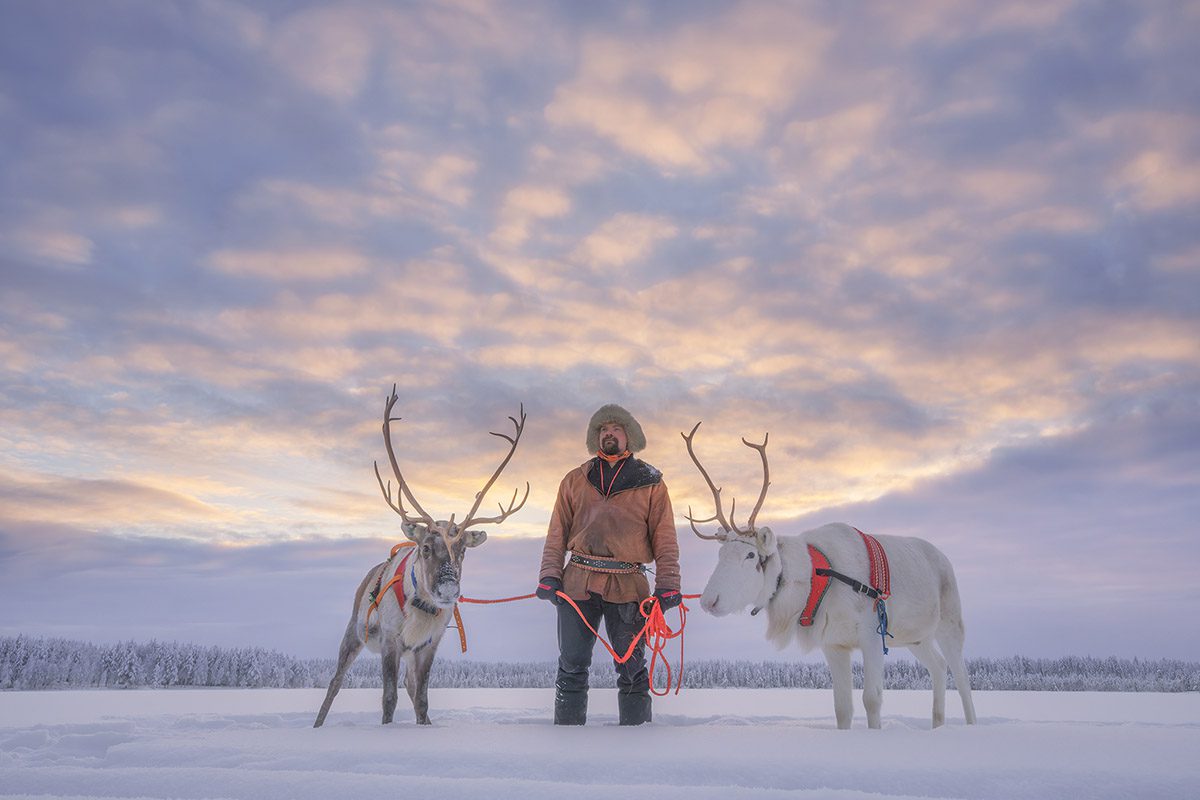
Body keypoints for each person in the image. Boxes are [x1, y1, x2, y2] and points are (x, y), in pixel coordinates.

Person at [536, 403, 681, 726]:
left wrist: (668, 585)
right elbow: (557, 532)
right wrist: (549, 575)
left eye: (616, 429)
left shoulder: (651, 482)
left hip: (628, 585)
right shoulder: (575, 480)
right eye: (603, 430)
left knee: (631, 667)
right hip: (578, 582)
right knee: (571, 665)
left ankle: (635, 743)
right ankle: (566, 742)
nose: (609, 434)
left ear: (630, 436)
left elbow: (665, 538)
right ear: (595, 437)